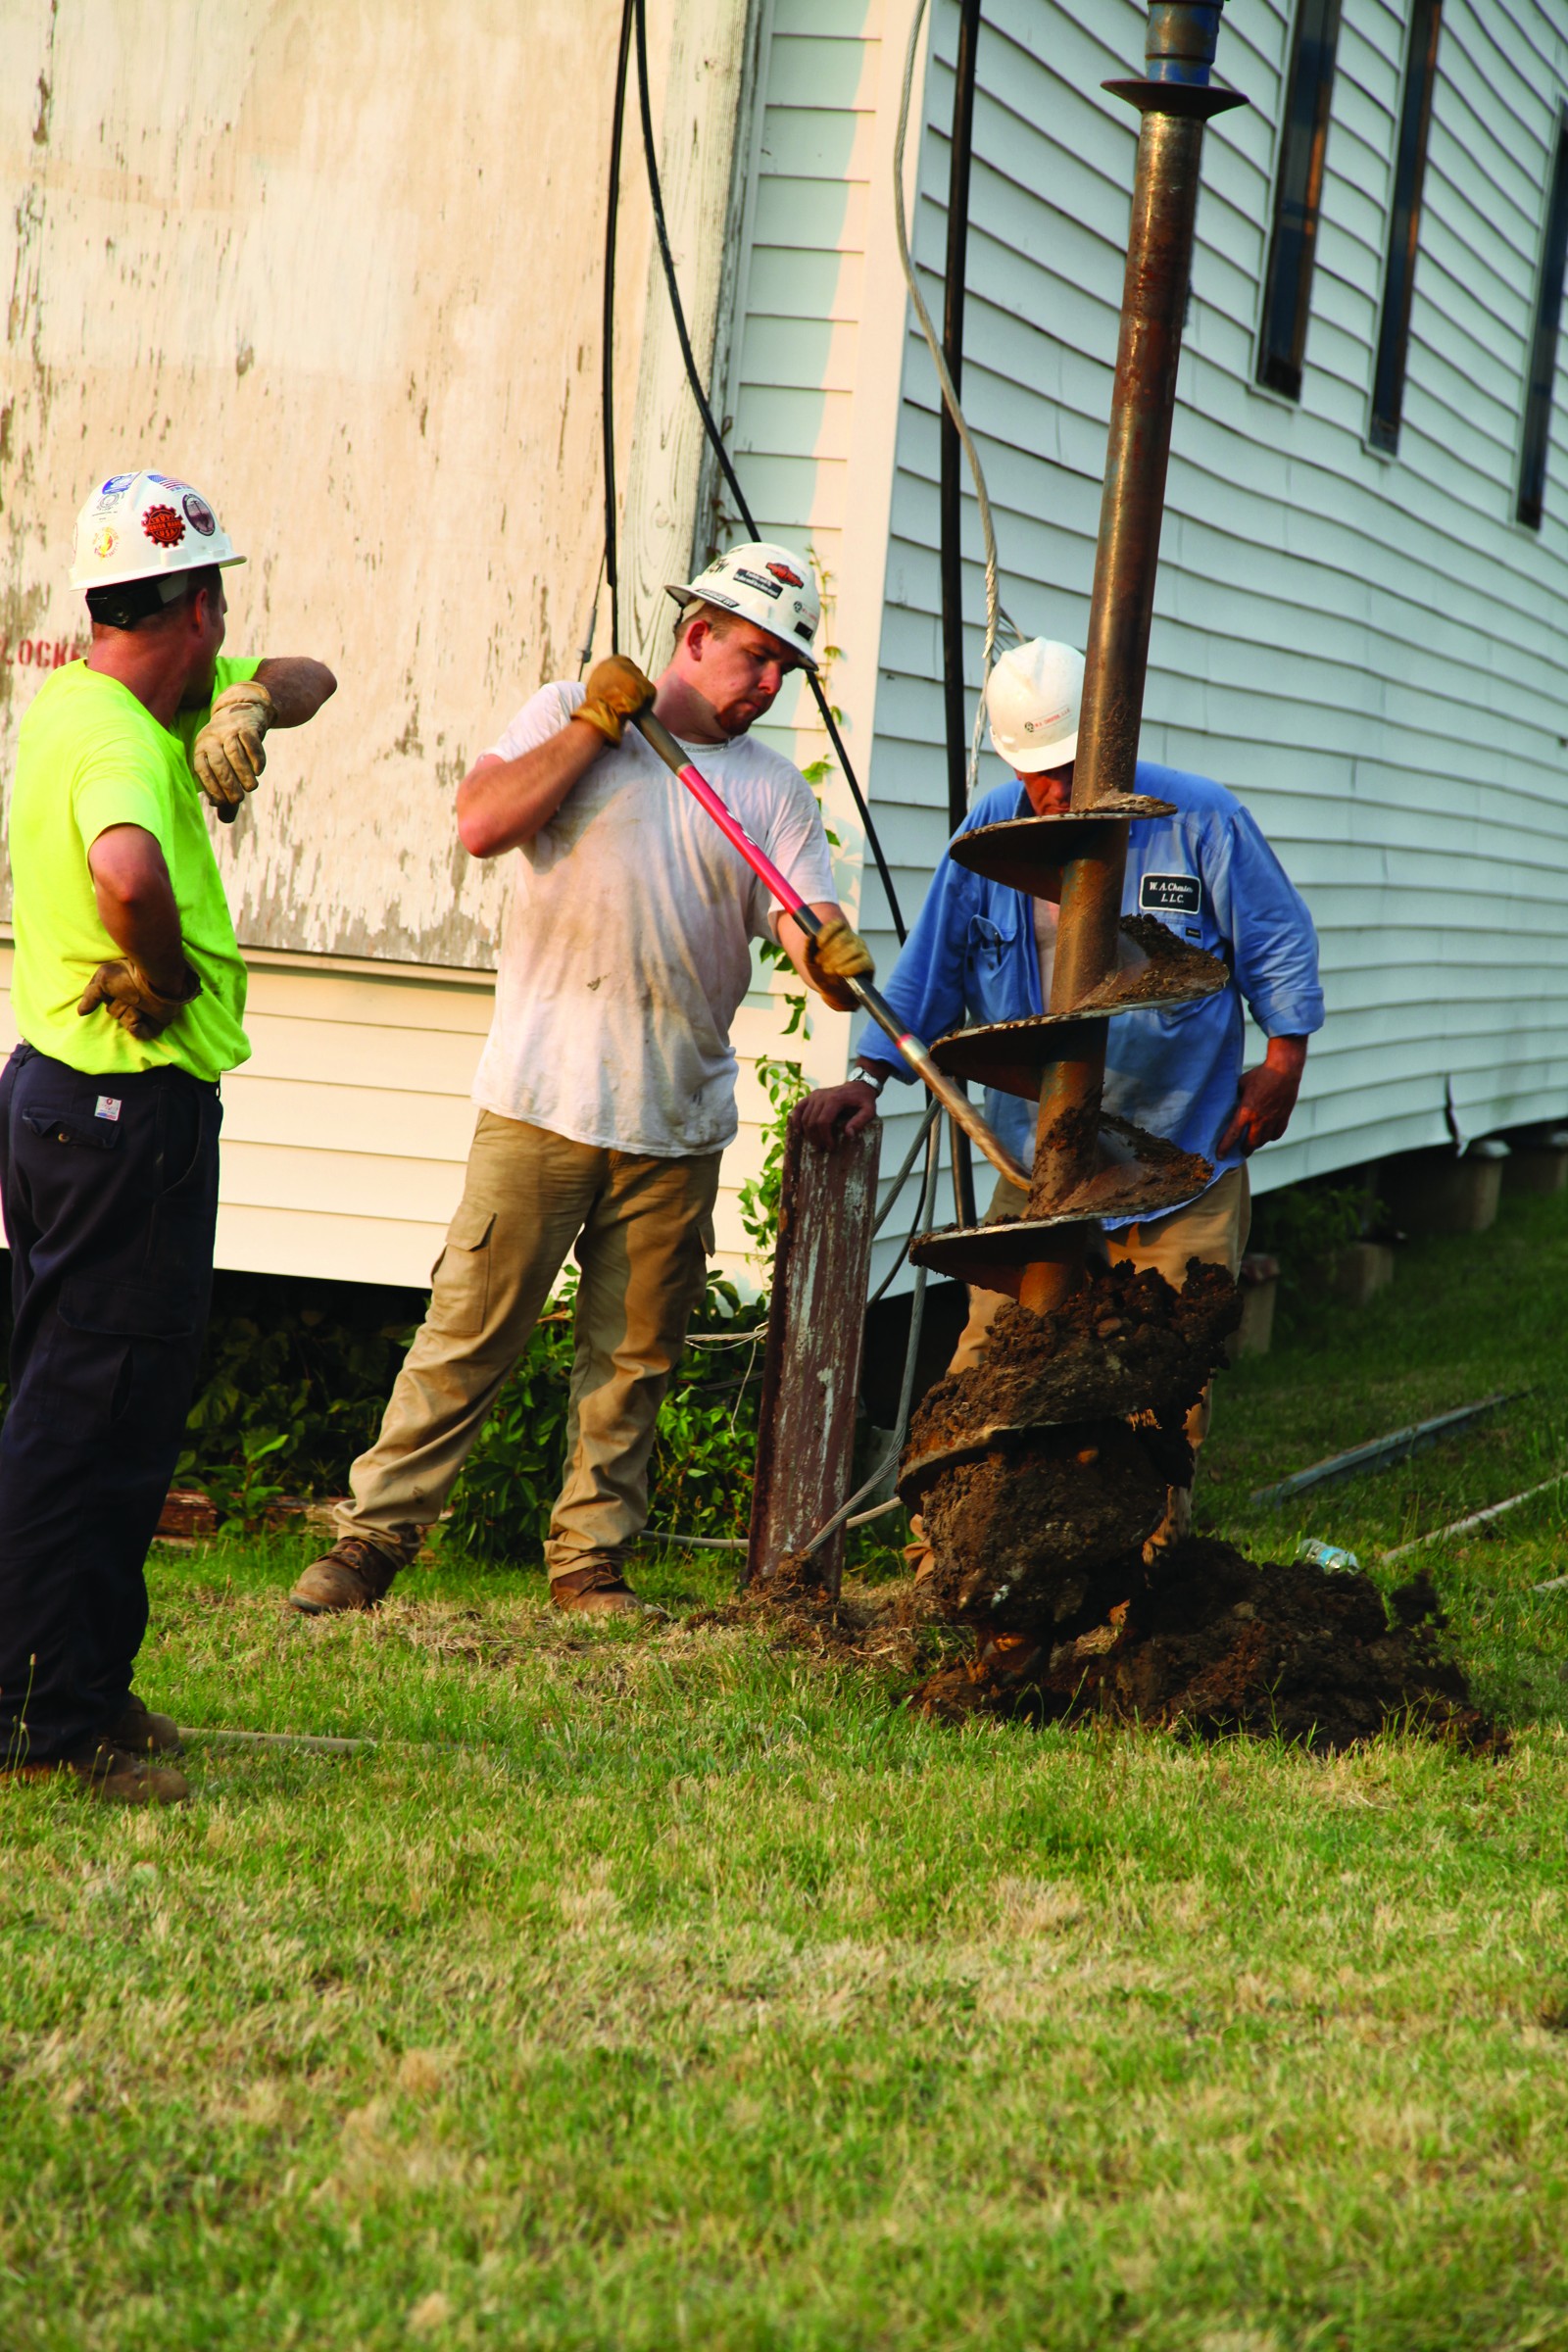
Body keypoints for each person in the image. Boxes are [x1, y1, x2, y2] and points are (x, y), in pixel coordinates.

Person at [289, 539, 871, 1621]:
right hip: (539, 1103)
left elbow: (807, 925)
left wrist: (834, 953)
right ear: (695, 637)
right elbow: (481, 824)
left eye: (785, 671)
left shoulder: (769, 790)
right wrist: (596, 725)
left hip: (675, 1122)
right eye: (755, 658)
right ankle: (365, 1550)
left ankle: (588, 1568)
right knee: (466, 1336)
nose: (767, 686)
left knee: (632, 1363)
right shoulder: (571, 712)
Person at [802, 637, 1324, 1534]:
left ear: (1107, 741)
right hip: (1033, 1162)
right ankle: (956, 1567)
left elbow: (1277, 942)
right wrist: (870, 1072)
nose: (1052, 794)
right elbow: (930, 975)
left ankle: (1141, 1590)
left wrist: (1283, 1062)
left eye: (1070, 769)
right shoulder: (991, 841)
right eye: (1033, 772)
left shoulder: (1199, 821)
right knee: (994, 1368)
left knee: (1161, 1386)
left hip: (1181, 1157)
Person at [0, 468, 336, 1804]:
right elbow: (130, 872)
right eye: (225, 617)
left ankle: (90, 1674)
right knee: (79, 1422)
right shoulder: (110, 740)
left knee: (123, 1408)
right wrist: (158, 966)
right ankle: (42, 1719)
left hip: (94, 1112)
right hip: (114, 1108)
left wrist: (250, 703)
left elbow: (311, 676)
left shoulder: (129, 698)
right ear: (196, 602)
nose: (231, 634)